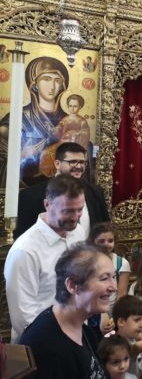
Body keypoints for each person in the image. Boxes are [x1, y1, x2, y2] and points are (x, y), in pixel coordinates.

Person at [4, 174, 87, 342]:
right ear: (47, 204)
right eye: (68, 211)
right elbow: (24, 318)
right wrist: (60, 342)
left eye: (80, 210)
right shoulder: (24, 251)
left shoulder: (78, 232)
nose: (75, 217)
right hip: (42, 343)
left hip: (78, 333)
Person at [19, 243, 116, 378]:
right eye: (104, 278)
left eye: (114, 277)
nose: (114, 287)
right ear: (72, 285)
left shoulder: (83, 329)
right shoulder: (45, 346)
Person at [15, 142, 110, 238]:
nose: (78, 166)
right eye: (72, 162)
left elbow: (105, 229)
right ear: (57, 164)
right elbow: (24, 235)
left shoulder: (96, 192)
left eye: (82, 162)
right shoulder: (30, 196)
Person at [0, 56, 69, 184]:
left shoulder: (70, 120)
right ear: (34, 84)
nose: (52, 86)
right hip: (24, 186)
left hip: (62, 186)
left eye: (57, 80)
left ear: (62, 85)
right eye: (46, 79)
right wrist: (21, 155)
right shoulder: (18, 117)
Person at [89, 222, 131, 316]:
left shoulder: (121, 263)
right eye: (101, 241)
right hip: (91, 310)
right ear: (93, 242)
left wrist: (116, 316)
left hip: (112, 311)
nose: (106, 244)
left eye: (110, 241)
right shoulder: (87, 262)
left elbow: (121, 295)